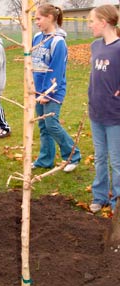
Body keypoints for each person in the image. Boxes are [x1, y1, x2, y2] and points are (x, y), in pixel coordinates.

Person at [31, 3, 81, 172]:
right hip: (37, 90)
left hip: (52, 91)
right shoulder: (37, 38)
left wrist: (47, 92)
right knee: (43, 126)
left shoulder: (58, 41)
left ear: (50, 17)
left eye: (39, 18)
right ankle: (45, 160)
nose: (36, 22)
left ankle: (73, 156)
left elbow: (57, 70)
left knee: (51, 124)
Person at [87, 4, 120, 213]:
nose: (90, 25)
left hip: (115, 115)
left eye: (92, 21)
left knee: (117, 161)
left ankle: (117, 201)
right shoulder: (95, 46)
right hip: (95, 112)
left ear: (104, 22)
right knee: (100, 157)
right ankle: (100, 197)